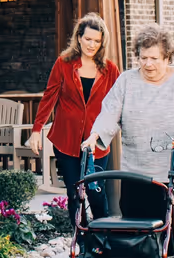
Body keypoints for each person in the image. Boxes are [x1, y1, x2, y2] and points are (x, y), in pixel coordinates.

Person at [83, 28, 174, 258]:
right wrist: (95, 135)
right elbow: (110, 111)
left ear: (167, 57)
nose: (147, 64)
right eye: (143, 57)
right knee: (138, 223)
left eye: (154, 58)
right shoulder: (127, 81)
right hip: (137, 169)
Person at [29, 12, 121, 198]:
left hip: (97, 142)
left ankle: (99, 228)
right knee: (73, 194)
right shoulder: (63, 64)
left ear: (102, 42)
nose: (91, 45)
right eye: (87, 39)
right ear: (79, 38)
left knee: (96, 193)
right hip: (66, 139)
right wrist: (36, 130)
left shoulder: (110, 69)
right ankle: (77, 228)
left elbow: (119, 104)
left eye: (96, 41)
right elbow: (49, 97)